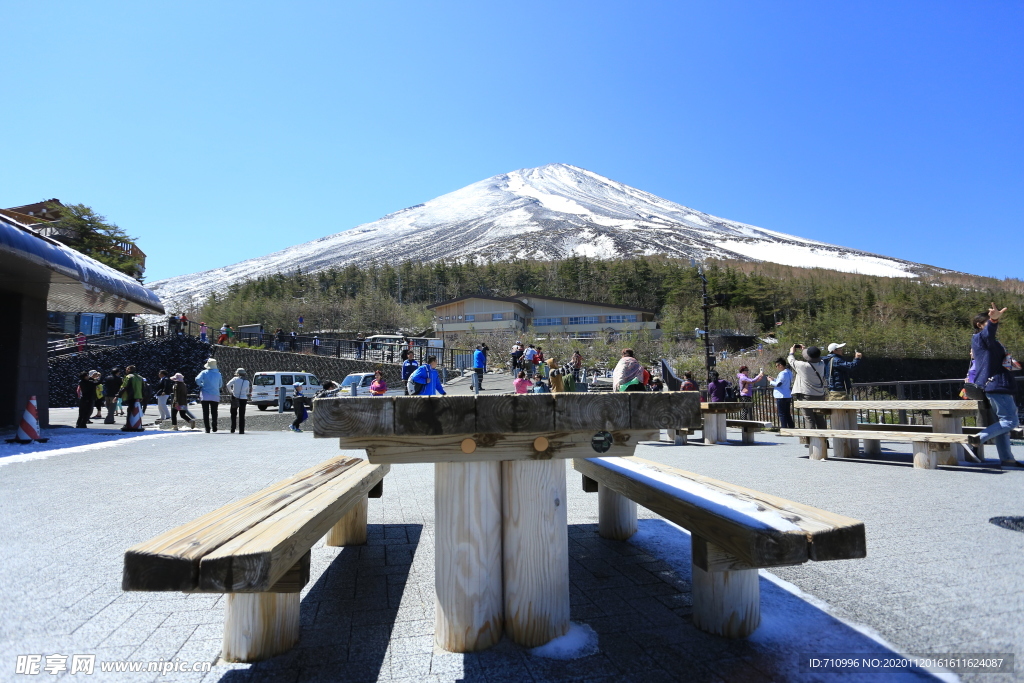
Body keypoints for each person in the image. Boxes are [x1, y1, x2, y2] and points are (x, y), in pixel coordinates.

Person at [968, 304, 1022, 467]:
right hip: (998, 385)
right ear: (979, 325)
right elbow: (988, 332)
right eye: (987, 321)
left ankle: (1007, 459)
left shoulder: (984, 341)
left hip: (992, 385)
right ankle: (978, 438)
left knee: (1002, 425)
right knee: (1010, 422)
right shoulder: (982, 337)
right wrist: (993, 319)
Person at [788, 344, 827, 429]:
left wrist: (791, 352)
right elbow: (810, 359)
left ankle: (812, 441)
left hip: (806, 395)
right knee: (820, 418)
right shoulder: (821, 364)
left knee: (809, 419)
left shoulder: (803, 366)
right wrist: (805, 351)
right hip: (819, 395)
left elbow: (791, 360)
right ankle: (824, 440)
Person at [195, 358, 223, 433]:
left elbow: (197, 379)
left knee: (205, 412)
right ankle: (214, 425)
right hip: (215, 394)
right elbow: (220, 385)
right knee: (214, 411)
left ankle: (207, 428)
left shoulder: (204, 372)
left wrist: (201, 385)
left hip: (205, 394)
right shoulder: (218, 374)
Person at [768, 357, 794, 429]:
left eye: (777, 366)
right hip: (787, 394)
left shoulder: (782, 373)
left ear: (780, 365)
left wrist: (770, 381)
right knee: (787, 413)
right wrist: (774, 379)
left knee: (782, 413)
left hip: (781, 395)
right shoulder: (789, 372)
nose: (777, 368)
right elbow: (783, 382)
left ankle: (784, 428)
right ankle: (791, 427)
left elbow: (778, 384)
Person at [118, 365, 146, 431]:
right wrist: (142, 396)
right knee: (137, 411)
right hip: (138, 396)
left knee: (130, 411)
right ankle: (138, 424)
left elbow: (124, 387)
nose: (126, 370)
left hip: (131, 396)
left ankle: (128, 425)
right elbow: (143, 388)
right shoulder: (140, 377)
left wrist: (118, 395)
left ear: (129, 370)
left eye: (127, 369)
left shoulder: (128, 377)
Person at [226, 368, 251, 434]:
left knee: (233, 414)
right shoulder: (247, 381)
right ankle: (241, 430)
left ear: (238, 373)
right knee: (242, 415)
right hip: (243, 398)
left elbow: (228, 385)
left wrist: (231, 391)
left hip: (235, 397)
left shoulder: (235, 379)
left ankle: (233, 428)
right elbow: (247, 391)